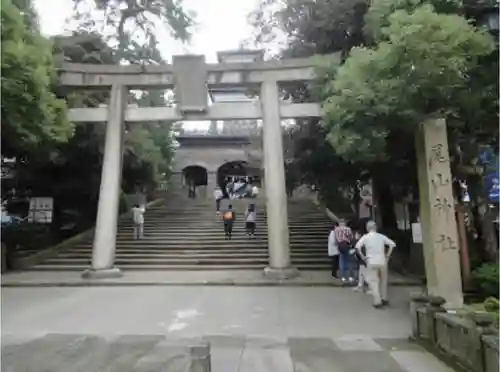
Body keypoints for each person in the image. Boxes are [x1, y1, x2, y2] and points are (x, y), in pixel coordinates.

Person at [355, 220, 396, 309]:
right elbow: (392, 244)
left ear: (367, 228)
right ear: (375, 227)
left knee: (373, 281)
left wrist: (363, 257)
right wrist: (387, 255)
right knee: (383, 280)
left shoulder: (365, 237)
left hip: (371, 261)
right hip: (382, 260)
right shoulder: (381, 236)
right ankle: (384, 297)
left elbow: (357, 247)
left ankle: (377, 300)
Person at [333, 218, 355, 284]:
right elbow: (351, 237)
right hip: (346, 245)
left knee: (341, 261)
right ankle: (351, 277)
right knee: (349, 261)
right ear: (345, 223)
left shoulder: (336, 230)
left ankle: (343, 277)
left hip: (340, 245)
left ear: (339, 223)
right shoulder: (348, 229)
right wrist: (351, 244)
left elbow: (336, 239)